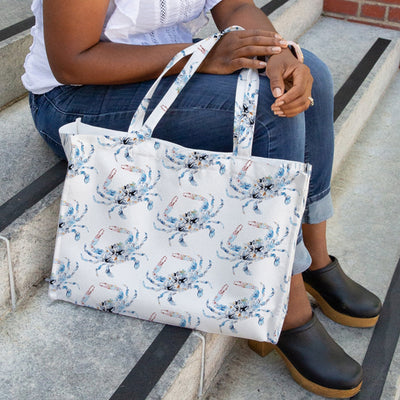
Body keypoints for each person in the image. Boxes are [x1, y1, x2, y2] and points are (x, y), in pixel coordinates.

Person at [22, 0, 382, 397]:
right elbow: (72, 60)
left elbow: (236, 5)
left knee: (308, 70)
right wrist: (201, 54)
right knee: (266, 110)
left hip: (159, 67)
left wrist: (278, 52)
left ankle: (314, 260)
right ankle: (287, 311)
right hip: (75, 95)